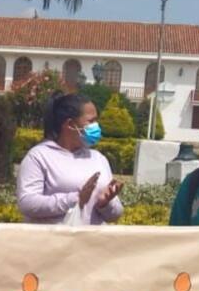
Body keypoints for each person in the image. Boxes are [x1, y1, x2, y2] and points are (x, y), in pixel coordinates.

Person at [16, 93, 123, 225]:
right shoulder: (39, 157)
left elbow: (116, 214)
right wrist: (75, 199)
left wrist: (105, 203)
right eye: (91, 121)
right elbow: (27, 203)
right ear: (70, 124)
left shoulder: (98, 159)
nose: (96, 126)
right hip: (54, 237)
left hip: (92, 238)